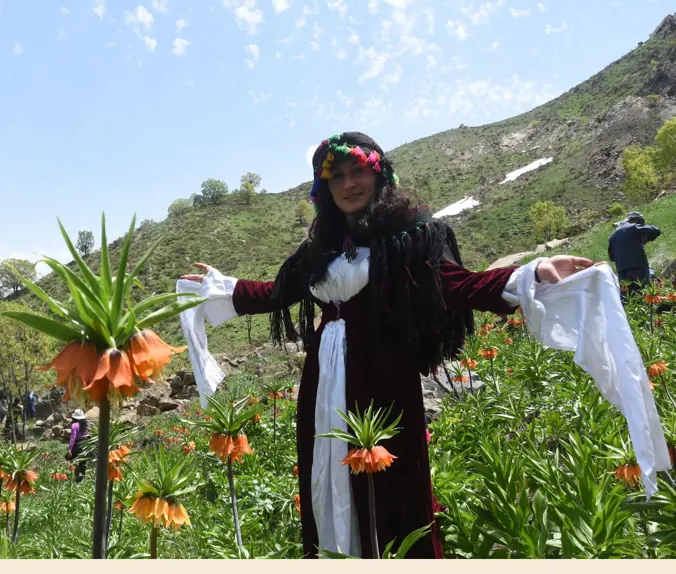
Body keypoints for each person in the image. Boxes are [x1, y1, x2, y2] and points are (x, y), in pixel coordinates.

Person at [179, 131, 593, 559]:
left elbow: (458, 284)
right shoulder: (318, 250)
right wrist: (216, 288)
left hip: (383, 378)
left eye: (357, 171)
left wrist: (533, 272)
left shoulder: (412, 236)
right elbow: (274, 293)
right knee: (328, 470)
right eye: (336, 176)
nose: (348, 184)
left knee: (393, 481)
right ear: (324, 189)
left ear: (379, 175)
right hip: (323, 382)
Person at [608, 211, 661, 293]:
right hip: (639, 268)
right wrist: (647, 239)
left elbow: (612, 258)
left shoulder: (612, 236)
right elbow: (654, 230)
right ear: (637, 221)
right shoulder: (633, 227)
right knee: (646, 293)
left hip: (622, 273)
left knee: (630, 298)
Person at [66, 409, 90, 484]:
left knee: (73, 460)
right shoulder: (85, 424)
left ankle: (78, 476)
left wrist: (70, 449)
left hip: (77, 445)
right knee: (83, 462)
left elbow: (73, 438)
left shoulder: (74, 425)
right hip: (85, 444)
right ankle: (82, 478)